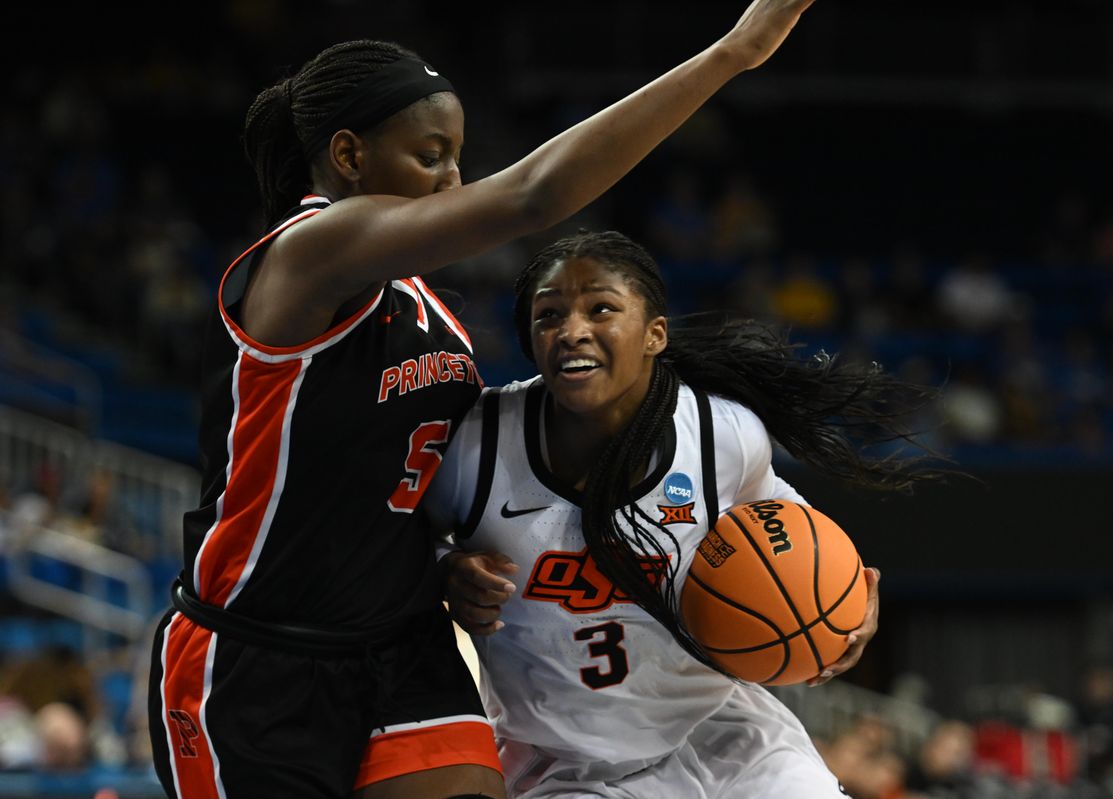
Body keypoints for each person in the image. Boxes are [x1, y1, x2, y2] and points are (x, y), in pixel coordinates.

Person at [146, 2, 825, 798]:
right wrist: (731, 54)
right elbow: (532, 198)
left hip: (400, 649)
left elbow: (428, 494)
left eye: (459, 159)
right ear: (348, 156)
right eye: (431, 157)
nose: (452, 183)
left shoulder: (430, 314)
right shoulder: (305, 254)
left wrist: (445, 563)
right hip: (256, 655)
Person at [427, 230, 938, 797]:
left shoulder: (721, 432)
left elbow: (782, 516)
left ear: (655, 334)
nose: (572, 330)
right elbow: (381, 544)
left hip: (723, 733)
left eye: (601, 308)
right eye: (549, 315)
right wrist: (443, 568)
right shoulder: (475, 446)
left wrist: (843, 601)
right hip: (566, 759)